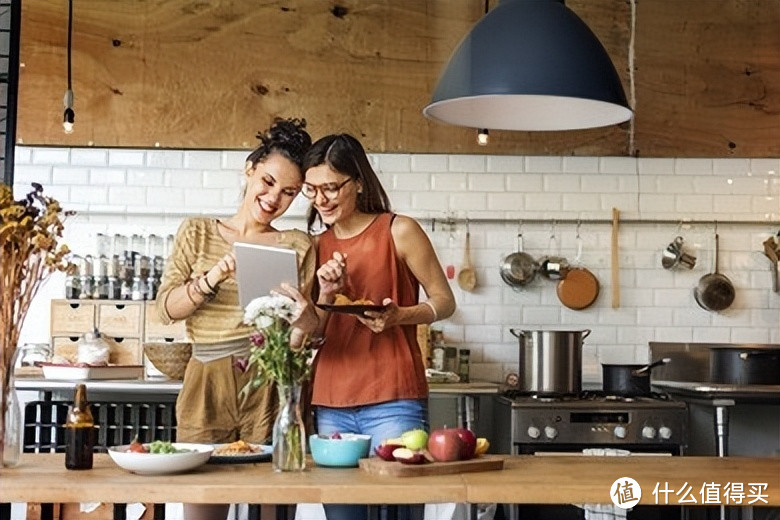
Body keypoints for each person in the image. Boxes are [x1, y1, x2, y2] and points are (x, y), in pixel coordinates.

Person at [155, 118, 316, 520]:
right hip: (206, 379)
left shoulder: (297, 244)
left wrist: (306, 311)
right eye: (268, 181)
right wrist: (213, 276)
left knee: (274, 510)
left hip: (270, 381)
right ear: (250, 169)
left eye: (289, 192)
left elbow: (306, 330)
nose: (274, 197)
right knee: (203, 509)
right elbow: (166, 310)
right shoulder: (197, 232)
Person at [302, 133, 456, 520]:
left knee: (401, 513)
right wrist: (326, 289)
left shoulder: (398, 230)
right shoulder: (314, 246)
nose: (321, 199)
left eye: (331, 187)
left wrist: (399, 316)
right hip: (332, 400)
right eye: (312, 189)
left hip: (394, 397)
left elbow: (444, 302)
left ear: (358, 181)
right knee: (342, 517)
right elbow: (317, 331)